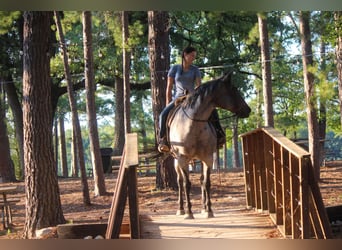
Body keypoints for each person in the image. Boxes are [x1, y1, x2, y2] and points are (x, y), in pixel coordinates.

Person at [158, 46, 225, 153]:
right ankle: (163, 140)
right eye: (192, 55)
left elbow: (199, 86)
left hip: (193, 98)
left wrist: (201, 99)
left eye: (194, 56)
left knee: (212, 110)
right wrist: (168, 102)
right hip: (178, 99)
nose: (193, 58)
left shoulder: (195, 70)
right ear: (185, 54)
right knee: (162, 115)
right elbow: (169, 87)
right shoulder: (174, 69)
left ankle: (219, 136)